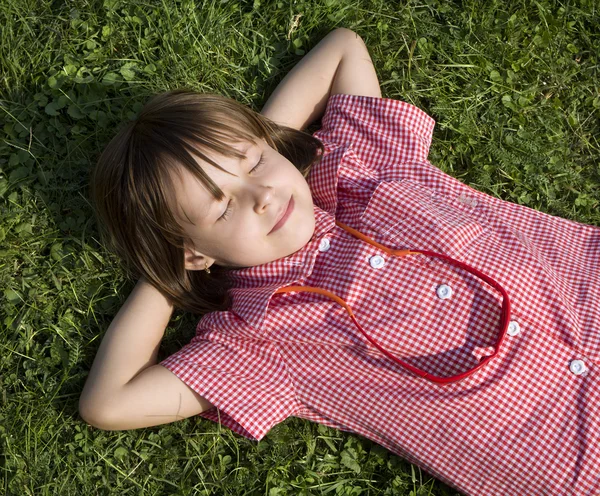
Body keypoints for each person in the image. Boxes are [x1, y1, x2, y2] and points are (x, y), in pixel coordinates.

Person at [79, 27, 600, 496]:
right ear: (194, 250)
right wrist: (171, 272)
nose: (261, 194)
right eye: (221, 206)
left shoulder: (357, 170)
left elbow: (343, 49)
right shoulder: (256, 339)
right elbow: (109, 403)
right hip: (574, 459)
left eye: (254, 163)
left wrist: (276, 146)